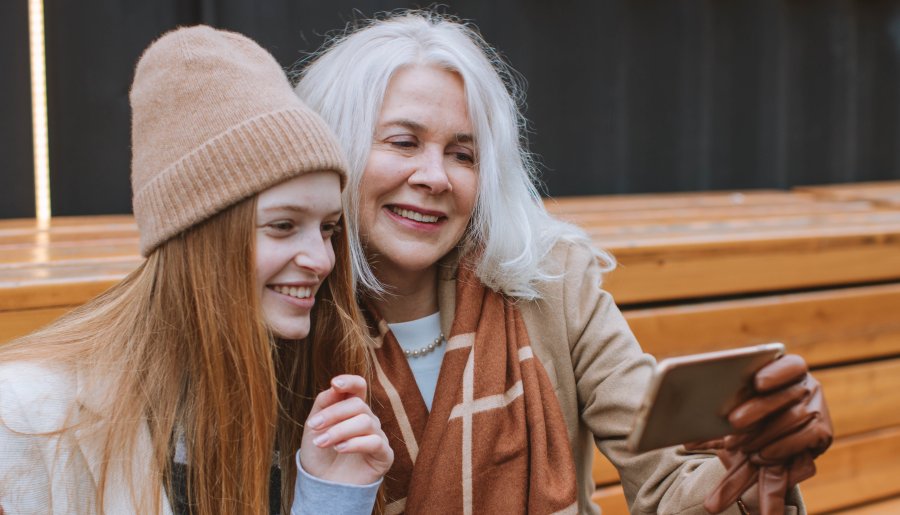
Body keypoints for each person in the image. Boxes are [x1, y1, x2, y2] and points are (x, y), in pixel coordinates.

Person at [294, 11, 832, 515]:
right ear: (334, 147)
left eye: (464, 154)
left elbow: (668, 479)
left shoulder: (552, 279)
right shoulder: (288, 309)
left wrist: (750, 466)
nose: (436, 177)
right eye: (404, 142)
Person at [0, 26, 392, 515]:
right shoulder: (24, 416)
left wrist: (331, 499)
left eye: (329, 228)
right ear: (196, 236)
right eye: (283, 225)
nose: (321, 259)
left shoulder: (309, 404)